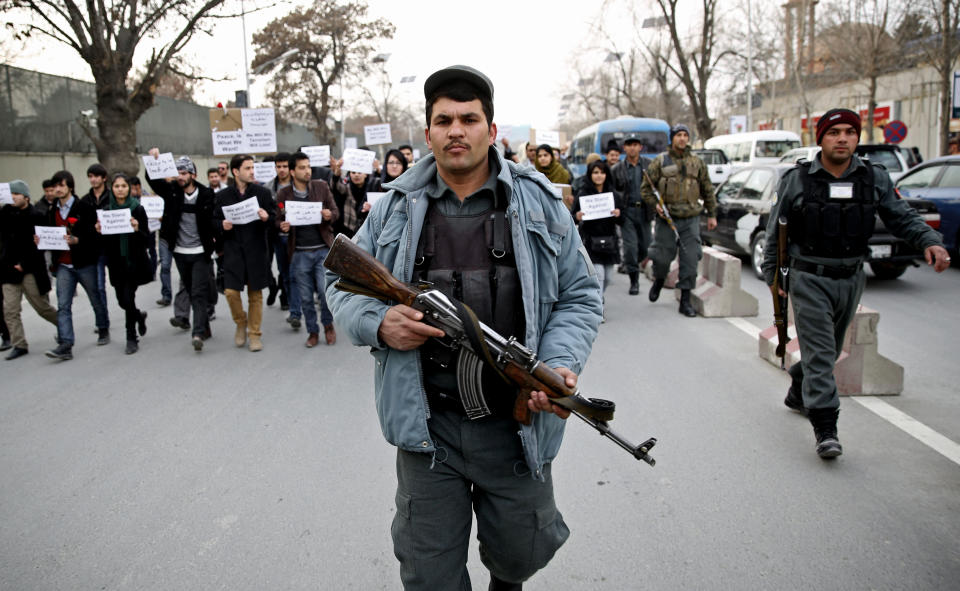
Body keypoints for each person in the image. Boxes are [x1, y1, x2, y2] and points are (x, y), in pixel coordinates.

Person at [325, 65, 602, 591]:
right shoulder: (393, 210)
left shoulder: (538, 201)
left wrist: (558, 365)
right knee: (428, 574)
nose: (457, 130)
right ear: (427, 134)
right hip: (429, 428)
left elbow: (580, 295)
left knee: (521, 553)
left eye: (469, 119)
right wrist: (380, 322)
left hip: (513, 428)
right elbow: (340, 286)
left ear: (491, 131)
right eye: (444, 120)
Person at [762, 108, 950, 459]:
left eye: (850, 131)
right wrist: (774, 278)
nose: (843, 138)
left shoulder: (873, 178)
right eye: (834, 132)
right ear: (821, 138)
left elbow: (901, 215)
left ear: (857, 137)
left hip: (851, 278)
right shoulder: (798, 179)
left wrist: (929, 241)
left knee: (827, 354)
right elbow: (776, 230)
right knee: (820, 354)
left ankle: (799, 386)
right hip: (808, 278)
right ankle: (825, 428)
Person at [640, 124, 717, 316]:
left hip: (690, 219)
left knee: (691, 259)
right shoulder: (661, 161)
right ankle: (659, 279)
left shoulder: (697, 162)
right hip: (667, 219)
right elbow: (646, 189)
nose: (682, 139)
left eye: (685, 135)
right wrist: (654, 205)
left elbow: (707, 188)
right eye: (678, 135)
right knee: (661, 257)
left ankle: (685, 300)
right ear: (672, 138)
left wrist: (712, 214)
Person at [147, 150, 218, 351]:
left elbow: (214, 220)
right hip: (180, 252)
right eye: (177, 172)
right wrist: (155, 161)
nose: (180, 176)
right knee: (189, 287)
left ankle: (197, 334)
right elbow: (152, 180)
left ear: (193, 175)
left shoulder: (206, 194)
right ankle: (205, 326)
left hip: (201, 252)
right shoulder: (172, 192)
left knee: (198, 293)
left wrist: (218, 245)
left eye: (184, 172)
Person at [41, 170, 110, 360]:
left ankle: (103, 327)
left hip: (83, 262)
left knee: (95, 297)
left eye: (61, 185)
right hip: (63, 265)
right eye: (55, 187)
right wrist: (42, 240)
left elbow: (94, 236)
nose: (58, 189)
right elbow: (49, 233)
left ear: (70, 187)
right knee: (63, 305)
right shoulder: (51, 211)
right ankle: (66, 344)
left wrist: (78, 240)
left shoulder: (84, 207)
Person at [277, 151, 339, 347]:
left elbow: (335, 212)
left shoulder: (321, 187)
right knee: (305, 297)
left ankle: (328, 326)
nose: (307, 171)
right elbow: (277, 218)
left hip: (322, 249)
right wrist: (282, 225)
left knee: (323, 291)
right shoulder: (284, 194)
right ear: (293, 172)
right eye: (302, 168)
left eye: (308, 167)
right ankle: (312, 331)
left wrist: (329, 215)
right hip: (299, 253)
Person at [215, 154, 276, 352]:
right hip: (233, 251)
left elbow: (275, 219)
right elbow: (212, 221)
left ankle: (254, 333)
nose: (252, 171)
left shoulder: (262, 193)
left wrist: (267, 217)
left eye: (253, 167)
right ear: (235, 171)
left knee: (255, 295)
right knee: (231, 292)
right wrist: (221, 225)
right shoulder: (223, 196)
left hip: (256, 250)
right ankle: (241, 321)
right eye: (248, 168)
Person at [0, 180, 58, 360]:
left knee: (42, 307)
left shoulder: (36, 215)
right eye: (10, 195)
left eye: (16, 194)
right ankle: (19, 344)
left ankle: (64, 326)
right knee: (10, 310)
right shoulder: (5, 214)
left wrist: (24, 264)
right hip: (8, 270)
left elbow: (40, 245)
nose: (12, 198)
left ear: (25, 196)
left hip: (31, 270)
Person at [95, 174, 151, 354]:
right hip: (115, 263)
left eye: (124, 186)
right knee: (122, 300)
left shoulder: (138, 209)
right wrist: (99, 231)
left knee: (128, 297)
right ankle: (138, 316)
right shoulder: (106, 211)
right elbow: (103, 243)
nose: (120, 189)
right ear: (112, 189)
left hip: (133, 262)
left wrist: (136, 229)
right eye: (117, 186)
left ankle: (131, 337)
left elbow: (146, 238)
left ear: (129, 189)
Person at [572, 160, 624, 304]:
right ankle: (598, 305)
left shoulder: (613, 195)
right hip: (590, 241)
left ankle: (599, 296)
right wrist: (577, 216)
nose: (599, 176)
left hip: (609, 242)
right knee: (598, 275)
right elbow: (572, 217)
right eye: (595, 172)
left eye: (602, 172)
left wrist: (619, 214)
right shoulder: (583, 194)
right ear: (590, 175)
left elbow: (623, 221)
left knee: (608, 277)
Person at [610, 136, 652, 295]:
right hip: (626, 212)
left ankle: (638, 263)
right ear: (625, 148)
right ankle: (634, 280)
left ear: (640, 147)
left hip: (645, 211)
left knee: (645, 246)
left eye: (635, 145)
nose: (632, 148)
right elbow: (612, 192)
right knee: (630, 248)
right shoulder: (617, 169)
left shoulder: (649, 165)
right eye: (629, 145)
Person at [83, 163, 112, 332]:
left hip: (112, 246)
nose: (93, 179)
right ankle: (103, 320)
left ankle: (133, 312)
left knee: (122, 288)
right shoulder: (86, 200)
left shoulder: (112, 197)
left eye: (96, 176)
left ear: (104, 178)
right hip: (96, 249)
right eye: (90, 176)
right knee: (99, 287)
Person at [328, 160, 372, 239]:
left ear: (366, 174)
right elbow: (336, 185)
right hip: (348, 229)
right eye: (353, 172)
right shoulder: (346, 187)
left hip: (367, 229)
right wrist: (337, 171)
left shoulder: (372, 187)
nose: (356, 175)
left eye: (359, 172)